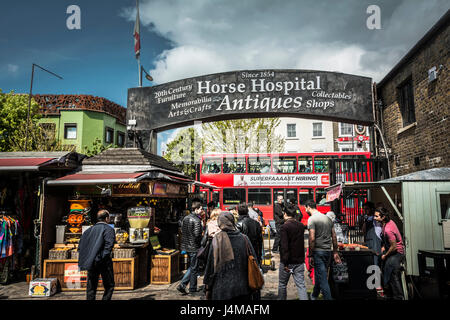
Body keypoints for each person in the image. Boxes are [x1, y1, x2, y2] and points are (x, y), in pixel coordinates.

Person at [203, 211, 259, 300]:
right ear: (233, 222)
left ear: (220, 223)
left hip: (221, 290)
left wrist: (207, 286)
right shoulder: (244, 238)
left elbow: (210, 266)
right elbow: (254, 260)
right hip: (242, 289)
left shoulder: (217, 240)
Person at [305, 200, 341, 300]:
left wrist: (310, 255)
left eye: (305, 208)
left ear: (308, 207)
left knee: (323, 279)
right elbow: (334, 237)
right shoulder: (327, 219)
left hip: (318, 252)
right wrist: (335, 251)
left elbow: (312, 238)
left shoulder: (312, 219)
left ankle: (328, 298)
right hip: (328, 252)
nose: (305, 210)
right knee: (319, 274)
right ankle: (314, 295)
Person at [78, 209, 115, 300]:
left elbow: (80, 247)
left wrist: (89, 258)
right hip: (103, 262)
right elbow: (108, 246)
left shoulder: (88, 230)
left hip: (91, 262)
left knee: (91, 286)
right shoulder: (109, 229)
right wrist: (100, 258)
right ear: (106, 218)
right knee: (109, 285)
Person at [278, 204, 308, 300]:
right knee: (301, 285)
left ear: (285, 214)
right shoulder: (300, 226)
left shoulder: (284, 227)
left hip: (287, 262)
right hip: (299, 261)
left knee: (282, 284)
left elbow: (284, 246)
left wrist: (285, 263)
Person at [374, 207, 405, 300]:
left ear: (383, 217)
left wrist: (385, 255)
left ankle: (399, 297)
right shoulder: (387, 223)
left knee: (392, 272)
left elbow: (394, 246)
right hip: (391, 251)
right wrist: (384, 246)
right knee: (386, 269)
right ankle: (390, 293)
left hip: (397, 253)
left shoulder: (388, 229)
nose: (374, 218)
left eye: (376, 216)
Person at [177, 200, 203, 295]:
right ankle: (183, 285)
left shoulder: (186, 218)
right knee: (193, 267)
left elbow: (183, 231)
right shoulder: (196, 220)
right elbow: (197, 235)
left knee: (193, 267)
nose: (201, 210)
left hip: (186, 246)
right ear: (196, 209)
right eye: (200, 209)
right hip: (194, 247)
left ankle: (192, 287)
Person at [362, 201, 382, 266]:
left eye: (367, 209)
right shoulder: (367, 219)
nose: (365, 210)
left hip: (375, 244)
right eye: (364, 209)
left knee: (375, 263)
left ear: (371, 209)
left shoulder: (375, 219)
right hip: (369, 243)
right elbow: (364, 231)